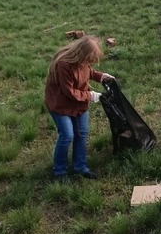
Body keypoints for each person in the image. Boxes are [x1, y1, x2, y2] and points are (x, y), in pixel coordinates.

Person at [44, 36, 115, 182]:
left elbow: (88, 71)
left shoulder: (82, 62)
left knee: (82, 133)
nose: (90, 62)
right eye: (89, 58)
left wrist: (101, 77)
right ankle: (60, 171)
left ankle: (80, 167)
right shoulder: (64, 65)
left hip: (78, 104)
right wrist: (90, 95)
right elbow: (69, 92)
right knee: (67, 135)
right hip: (60, 104)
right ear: (81, 53)